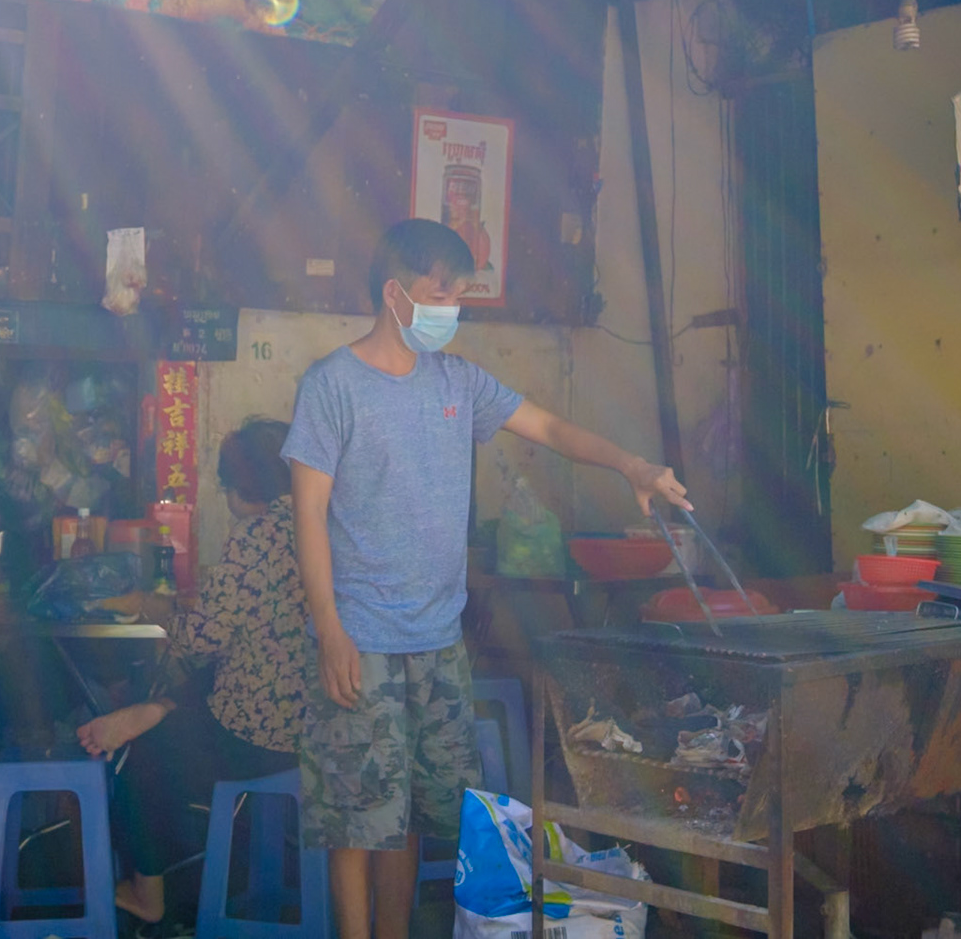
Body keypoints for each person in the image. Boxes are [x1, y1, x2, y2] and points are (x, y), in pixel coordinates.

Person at [282, 218, 689, 939]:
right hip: (362, 638)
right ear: (395, 293)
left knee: (410, 814)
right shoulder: (332, 387)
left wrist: (632, 465)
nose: (451, 310)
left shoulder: (459, 382)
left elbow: (552, 430)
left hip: (438, 641)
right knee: (356, 819)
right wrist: (329, 629)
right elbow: (309, 514)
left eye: (460, 297)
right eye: (441, 294)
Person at [76, 418, 310, 933]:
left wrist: (156, 608)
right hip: (317, 730)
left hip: (259, 739)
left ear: (240, 485)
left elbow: (199, 640)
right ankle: (154, 709)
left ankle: (147, 895)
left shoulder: (254, 539)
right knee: (214, 684)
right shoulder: (320, 526)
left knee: (144, 756)